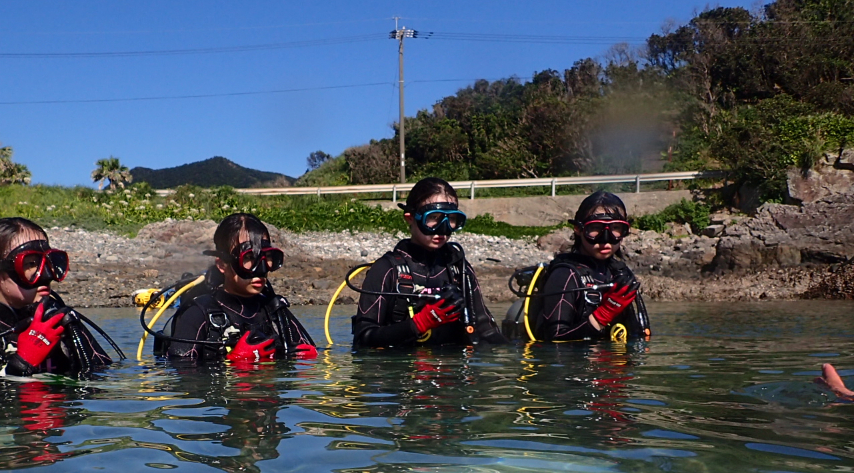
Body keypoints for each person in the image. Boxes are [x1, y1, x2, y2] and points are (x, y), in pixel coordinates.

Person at [0, 217, 112, 380]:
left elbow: (106, 378)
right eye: (30, 264)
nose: (46, 275)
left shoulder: (60, 322)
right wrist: (21, 364)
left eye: (49, 262)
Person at [352, 177, 505, 348]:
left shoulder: (458, 268)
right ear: (410, 218)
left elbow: (486, 330)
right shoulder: (387, 270)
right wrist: (419, 323)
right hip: (401, 371)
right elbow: (362, 339)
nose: (443, 228)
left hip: (451, 370)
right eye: (433, 218)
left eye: (451, 219)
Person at [164, 213, 317, 364]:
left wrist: (307, 361)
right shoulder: (198, 313)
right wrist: (234, 362)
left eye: (267, 257)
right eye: (249, 258)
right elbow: (180, 372)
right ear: (222, 265)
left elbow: (308, 352)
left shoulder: (274, 311)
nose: (261, 269)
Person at [532, 190, 650, 343]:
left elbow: (636, 334)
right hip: (575, 364)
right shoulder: (565, 275)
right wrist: (602, 316)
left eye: (615, 228)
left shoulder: (620, 273)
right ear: (579, 230)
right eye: (595, 228)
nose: (606, 239)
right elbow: (554, 339)